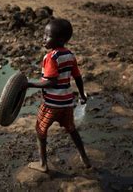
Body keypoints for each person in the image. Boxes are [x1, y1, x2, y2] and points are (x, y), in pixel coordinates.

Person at [27, 18, 91, 173]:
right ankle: (84, 158)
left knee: (40, 130)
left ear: (60, 39)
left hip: (51, 104)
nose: (43, 38)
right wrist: (82, 94)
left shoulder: (51, 57)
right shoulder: (70, 55)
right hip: (67, 103)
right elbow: (77, 77)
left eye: (47, 36)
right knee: (71, 129)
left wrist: (30, 84)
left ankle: (43, 164)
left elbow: (51, 82)